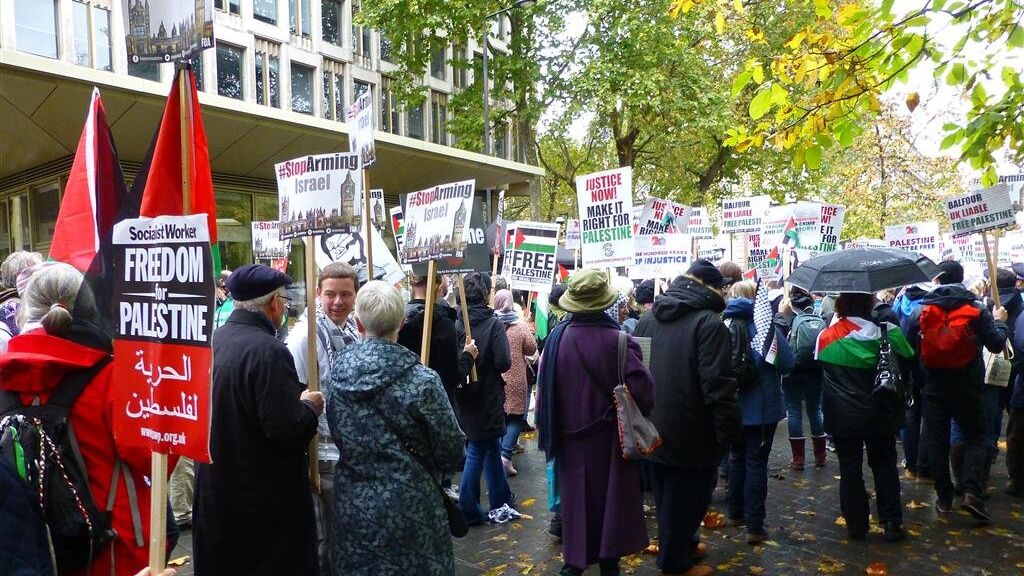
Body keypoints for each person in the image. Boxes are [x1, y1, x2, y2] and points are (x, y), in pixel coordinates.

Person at [0, 263, 158, 575]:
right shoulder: (114, 376)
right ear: (89, 307)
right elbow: (149, 459)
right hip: (112, 547)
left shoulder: (5, 378)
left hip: (28, 549)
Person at [325, 281, 465, 575]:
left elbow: (336, 429)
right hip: (413, 505)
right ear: (401, 322)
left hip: (354, 504)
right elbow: (452, 448)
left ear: (359, 322)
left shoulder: (337, 373)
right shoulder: (423, 380)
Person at [193, 265, 323, 576]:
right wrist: (309, 407)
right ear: (274, 303)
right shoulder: (268, 351)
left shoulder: (215, 341)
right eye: (283, 302)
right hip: (261, 500)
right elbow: (286, 429)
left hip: (219, 490)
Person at [536, 269, 655, 576]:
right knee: (610, 506)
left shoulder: (555, 340)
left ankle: (574, 563)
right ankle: (608, 564)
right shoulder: (619, 341)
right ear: (604, 302)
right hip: (609, 443)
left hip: (568, 443)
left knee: (575, 506)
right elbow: (644, 394)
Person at [633, 259, 741, 576]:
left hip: (653, 425)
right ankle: (674, 563)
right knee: (689, 497)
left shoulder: (648, 319)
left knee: (668, 496)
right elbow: (718, 387)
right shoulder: (709, 324)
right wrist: (730, 432)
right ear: (711, 288)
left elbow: (637, 373)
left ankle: (684, 545)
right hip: (693, 430)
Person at [906, 260, 1008, 522]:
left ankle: (944, 497)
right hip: (968, 386)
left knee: (938, 441)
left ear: (938, 279)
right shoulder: (975, 310)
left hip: (933, 387)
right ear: (961, 279)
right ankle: (971, 492)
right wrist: (1001, 324)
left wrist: (918, 379)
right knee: (976, 436)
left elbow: (908, 349)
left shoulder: (922, 311)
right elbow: (997, 346)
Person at [283, 262, 361, 576]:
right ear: (318, 293)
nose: (338, 302)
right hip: (323, 454)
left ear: (356, 295)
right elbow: (295, 394)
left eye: (345, 294)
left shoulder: (353, 328)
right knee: (328, 539)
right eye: (330, 295)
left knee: (346, 535)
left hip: (349, 450)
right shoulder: (305, 336)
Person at [816, 292, 914, 541]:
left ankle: (856, 525)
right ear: (870, 303)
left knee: (849, 468)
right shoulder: (888, 331)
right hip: (880, 411)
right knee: (884, 465)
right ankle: (891, 522)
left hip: (842, 415)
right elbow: (909, 358)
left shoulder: (826, 337)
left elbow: (821, 367)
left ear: (840, 306)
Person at [723, 280, 794, 544]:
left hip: (732, 406)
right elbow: (788, 363)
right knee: (756, 463)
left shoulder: (721, 326)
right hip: (762, 409)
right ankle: (754, 526)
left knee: (736, 458)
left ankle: (734, 512)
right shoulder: (765, 329)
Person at [452, 272, 517, 525]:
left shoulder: (456, 323)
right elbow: (504, 362)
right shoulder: (493, 324)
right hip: (487, 395)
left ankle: (501, 497)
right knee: (478, 448)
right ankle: (468, 506)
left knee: (489, 445)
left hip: (464, 397)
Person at [774, 287, 828, 470]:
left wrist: (782, 314)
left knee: (794, 412)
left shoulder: (786, 320)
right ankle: (821, 456)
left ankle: (798, 459)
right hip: (815, 370)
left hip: (792, 372)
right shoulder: (820, 319)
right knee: (816, 410)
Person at [494, 289, 538, 477]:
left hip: (496, 377)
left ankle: (498, 456)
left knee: (501, 417)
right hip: (516, 378)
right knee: (515, 418)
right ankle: (505, 455)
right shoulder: (519, 326)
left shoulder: (491, 323)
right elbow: (531, 348)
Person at [894, 283, 934, 480]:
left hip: (911, 370)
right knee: (929, 418)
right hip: (932, 370)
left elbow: (904, 342)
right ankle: (925, 467)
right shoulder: (930, 307)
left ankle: (911, 463)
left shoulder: (900, 302)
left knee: (910, 414)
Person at [0, 251, 43, 351]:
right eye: (39, 272)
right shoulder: (11, 311)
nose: (46, 277)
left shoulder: (33, 305)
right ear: (21, 276)